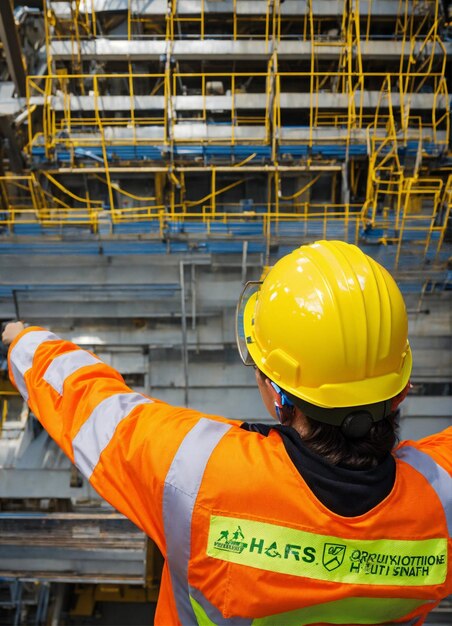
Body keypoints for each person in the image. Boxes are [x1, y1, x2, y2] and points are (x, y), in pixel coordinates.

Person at [2, 240, 451, 625]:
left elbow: (91, 408)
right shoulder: (441, 503)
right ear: (400, 392)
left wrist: (21, 341)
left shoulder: (195, 476)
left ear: (278, 396)